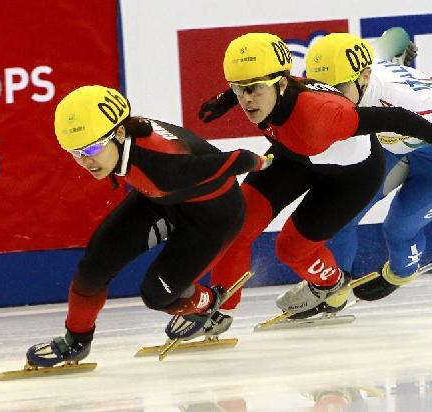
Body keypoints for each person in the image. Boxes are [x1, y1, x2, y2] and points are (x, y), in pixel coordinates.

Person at [198, 33, 432, 319]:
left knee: (392, 230)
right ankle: (219, 311)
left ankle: (366, 279)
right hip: (300, 153)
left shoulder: (326, 114)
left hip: (366, 169)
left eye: (252, 89)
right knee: (238, 224)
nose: (247, 99)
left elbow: (399, 118)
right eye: (240, 89)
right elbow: (397, 38)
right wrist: (228, 97)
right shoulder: (274, 88)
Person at [26, 85, 272, 367]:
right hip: (163, 199)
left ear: (119, 134)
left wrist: (256, 161)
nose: (86, 161)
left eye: (93, 148)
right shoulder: (129, 136)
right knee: (95, 264)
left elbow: (230, 160)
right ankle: (76, 340)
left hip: (213, 218)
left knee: (157, 295)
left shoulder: (162, 165)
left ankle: (206, 304)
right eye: (76, 152)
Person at [304, 32, 432, 303]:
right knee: (341, 216)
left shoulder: (415, 106)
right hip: (397, 144)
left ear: (365, 77)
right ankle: (333, 288)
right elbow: (396, 36)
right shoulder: (363, 61)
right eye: (322, 91)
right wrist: (404, 51)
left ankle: (401, 272)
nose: (332, 101)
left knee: (399, 230)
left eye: (340, 90)